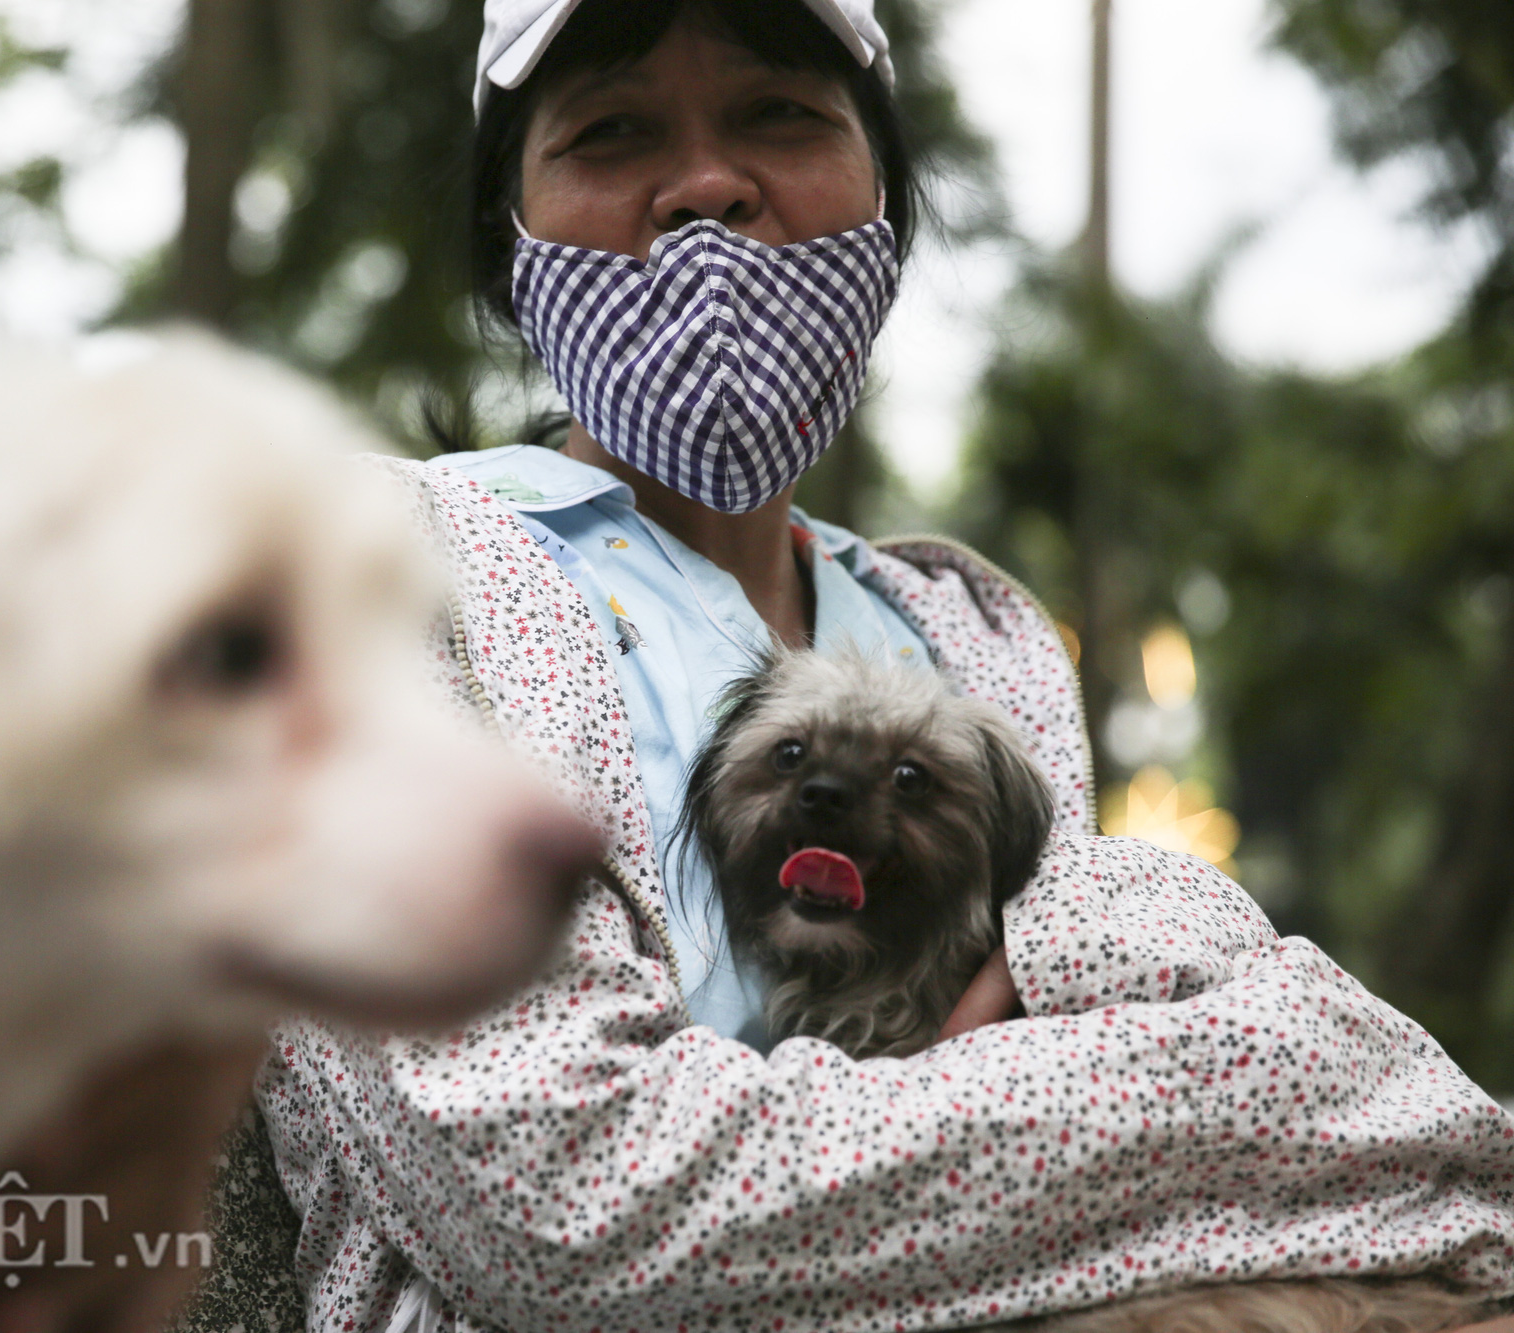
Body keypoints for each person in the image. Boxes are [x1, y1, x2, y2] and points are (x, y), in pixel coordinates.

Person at [185, 1, 1514, 1331]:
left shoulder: (975, 639)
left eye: (778, 112)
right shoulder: (368, 574)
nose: (706, 188)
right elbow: (562, 1197)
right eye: (613, 129)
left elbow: (1445, 1140)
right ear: (506, 239)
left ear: (883, 203)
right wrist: (1215, 1095)